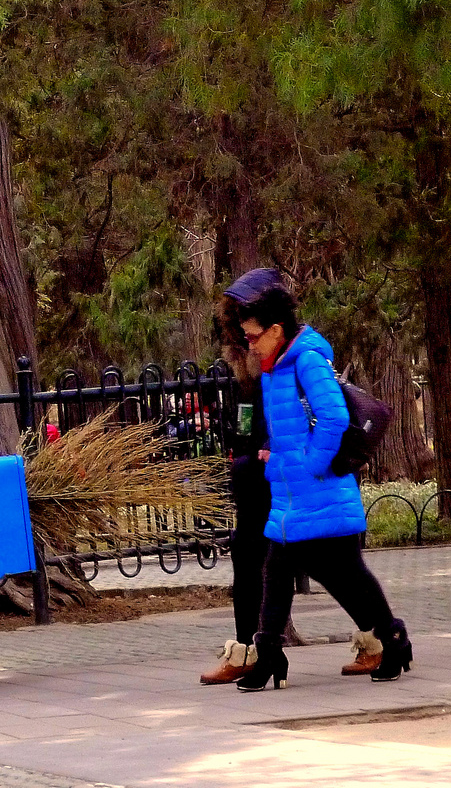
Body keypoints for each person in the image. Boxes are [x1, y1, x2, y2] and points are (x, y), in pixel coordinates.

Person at [227, 272, 413, 691]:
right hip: (293, 492)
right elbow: (292, 427)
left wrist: (310, 463)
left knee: (350, 575)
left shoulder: (306, 360)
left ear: (276, 330)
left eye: (254, 336)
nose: (250, 344)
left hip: (320, 487)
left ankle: (393, 638)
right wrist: (278, 457)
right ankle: (270, 653)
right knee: (276, 572)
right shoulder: (276, 367)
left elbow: (334, 417)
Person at [199, 274, 274, 684]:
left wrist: (269, 448)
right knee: (248, 559)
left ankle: (382, 636)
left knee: (336, 566)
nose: (247, 339)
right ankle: (250, 650)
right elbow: (247, 424)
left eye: (252, 329)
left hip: (291, 481)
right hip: (255, 481)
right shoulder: (248, 375)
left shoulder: (292, 363)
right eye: (239, 330)